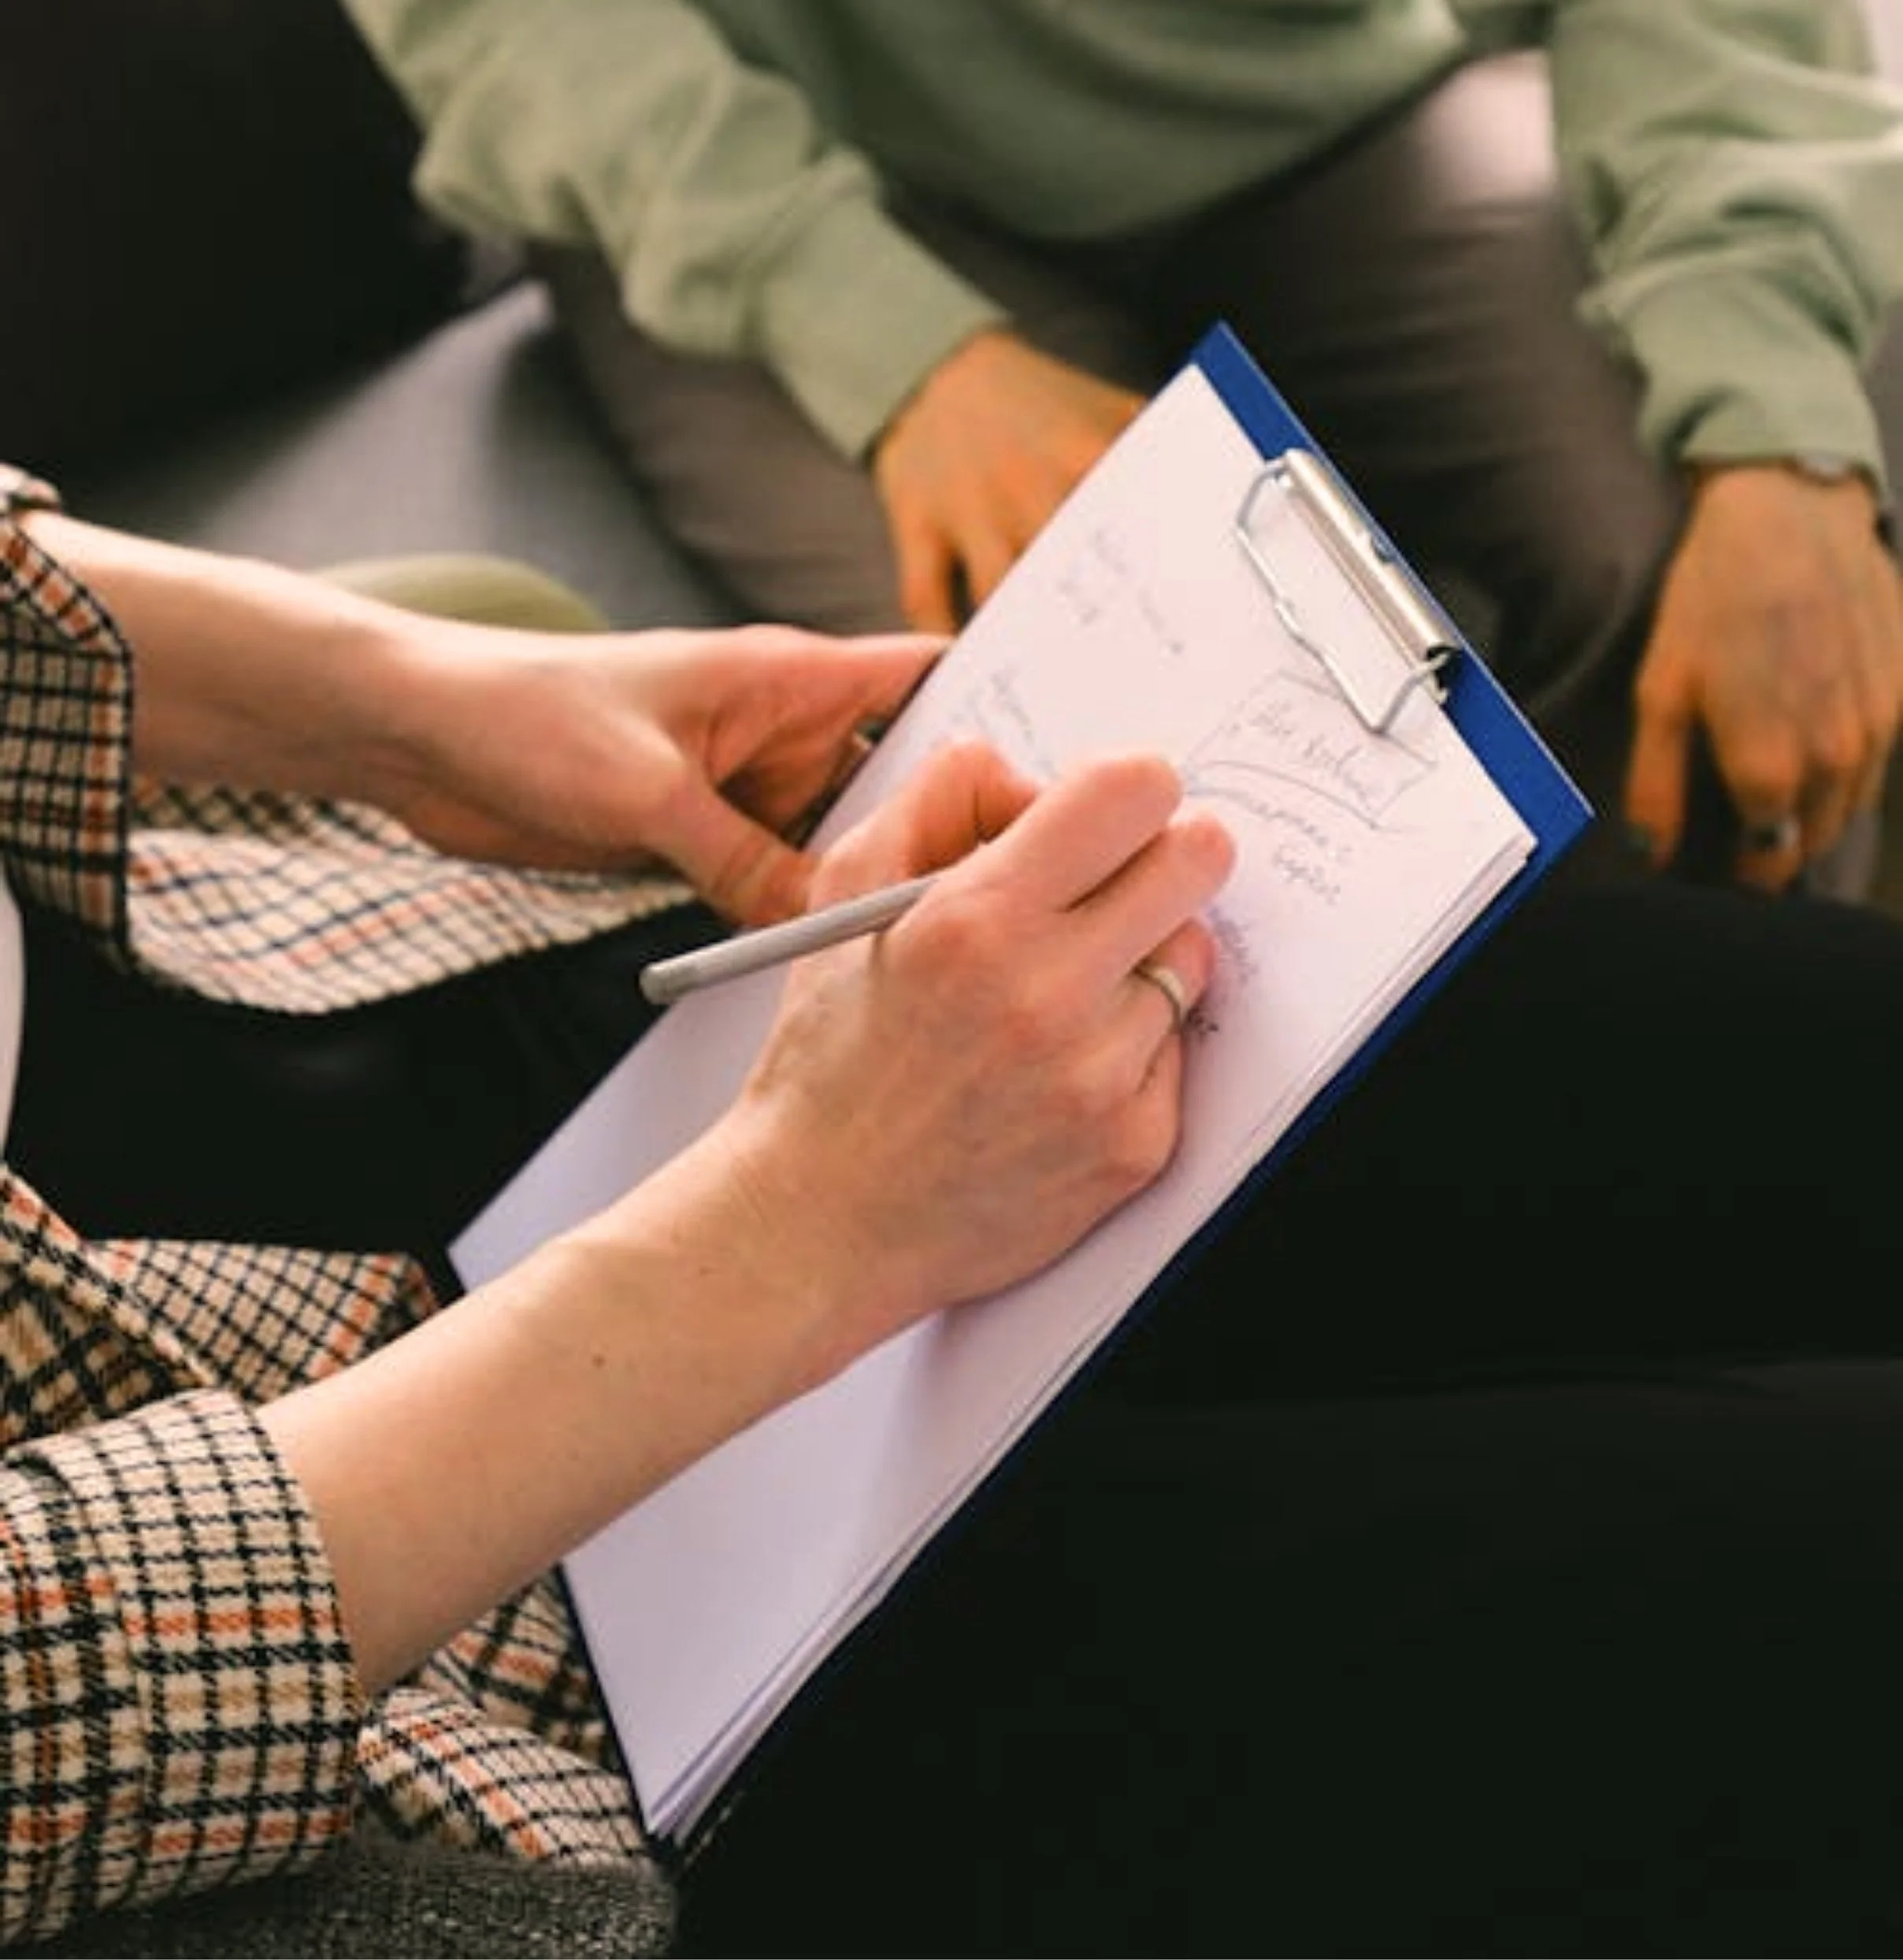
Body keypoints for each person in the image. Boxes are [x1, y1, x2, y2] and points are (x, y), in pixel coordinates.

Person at [12, 462, 1903, 1960]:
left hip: (301, 969)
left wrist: (403, 707)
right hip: (337, 1691)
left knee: (1801, 1070)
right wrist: (794, 1230)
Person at [338, 0, 1903, 905]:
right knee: (1064, 752)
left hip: (1312, 99)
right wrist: (892, 346)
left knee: (1689, 538)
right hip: (752, 163)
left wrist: (1768, 420)